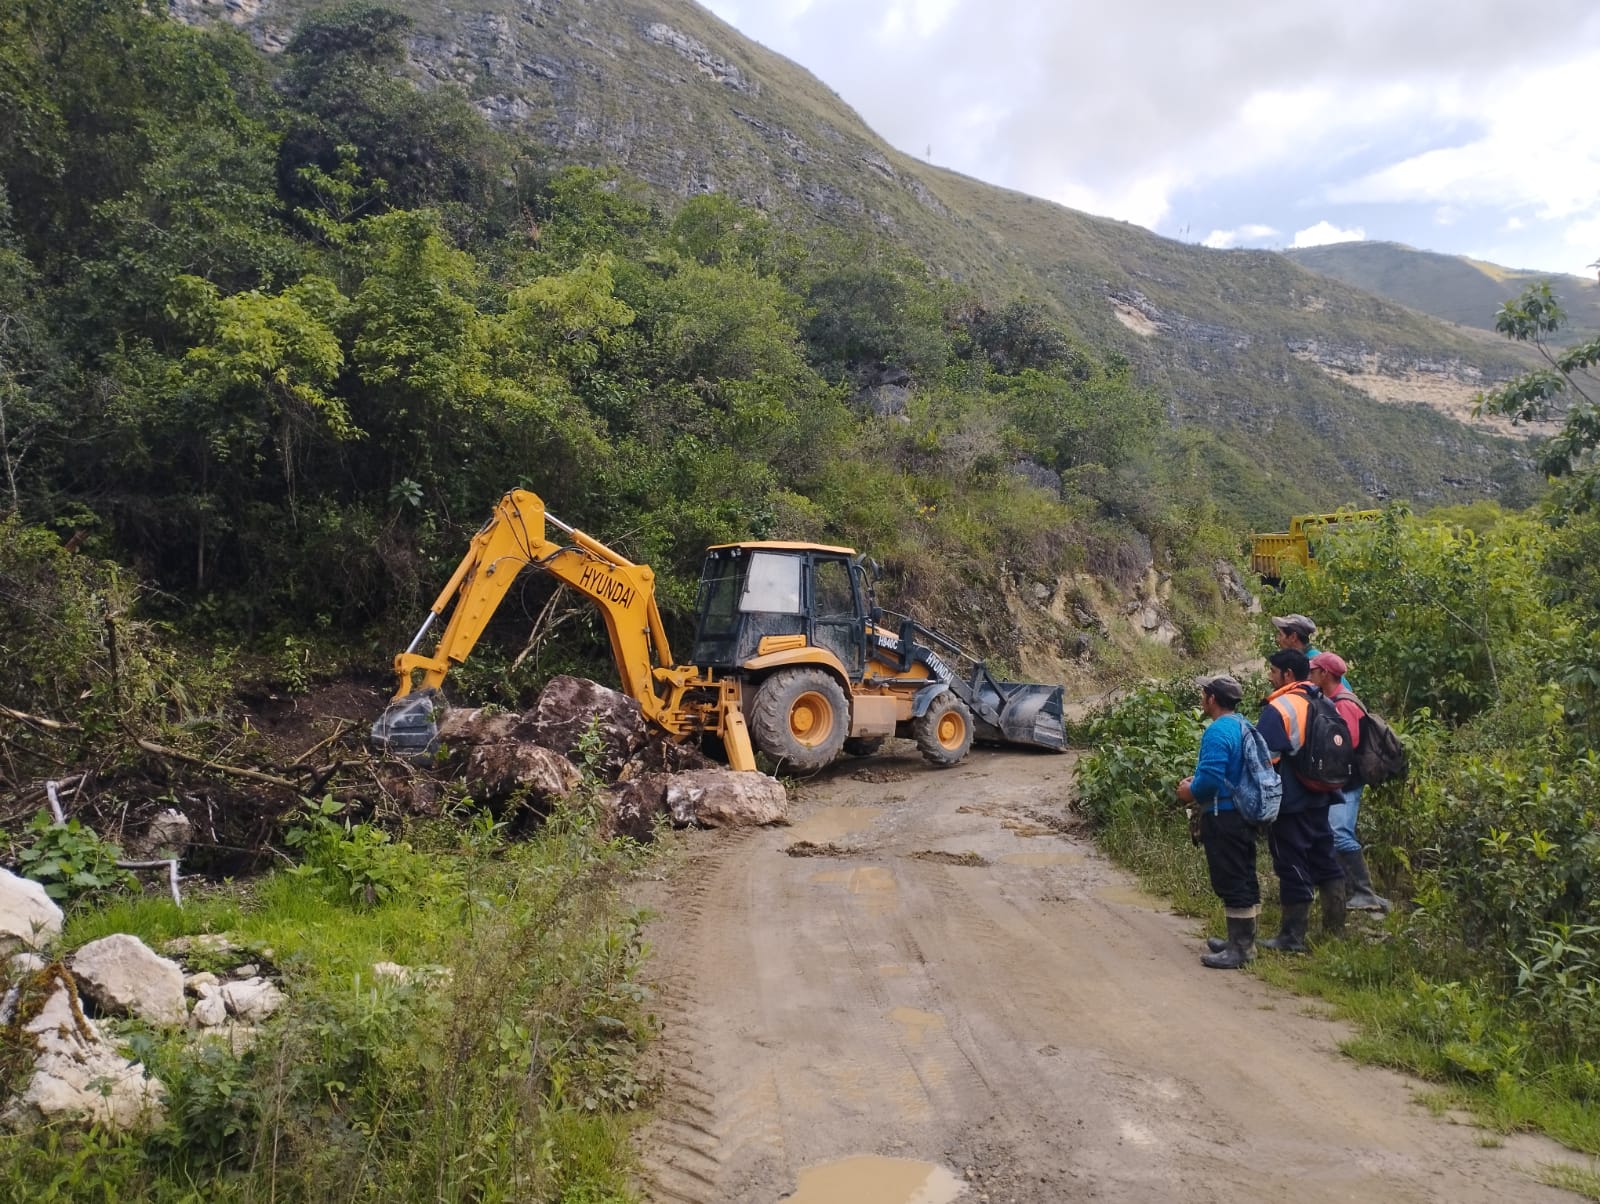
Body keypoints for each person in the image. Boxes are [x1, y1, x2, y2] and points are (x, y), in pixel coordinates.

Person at [1256, 649, 1345, 952]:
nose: (1269, 676)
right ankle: (1335, 932)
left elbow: (1262, 758)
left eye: (1272, 671)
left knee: (1291, 862)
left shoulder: (1280, 707)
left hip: (1291, 802)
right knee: (1325, 860)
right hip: (1322, 796)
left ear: (1288, 675)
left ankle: (1292, 938)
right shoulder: (1325, 701)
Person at [1176, 675, 1258, 969]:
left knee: (1231, 878)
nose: (1201, 696)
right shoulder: (1243, 725)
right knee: (1245, 874)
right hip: (1243, 813)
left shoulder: (1217, 731)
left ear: (1212, 698)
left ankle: (1241, 950)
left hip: (1223, 815)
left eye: (1204, 692)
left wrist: (1189, 791)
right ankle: (1242, 941)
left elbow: (1209, 781)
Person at [1308, 651, 1390, 913]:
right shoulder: (1331, 698)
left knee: (1340, 833)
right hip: (1341, 783)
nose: (1309, 675)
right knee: (1333, 833)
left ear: (1325, 674)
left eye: (1313, 671)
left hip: (1349, 783)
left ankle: (1364, 892)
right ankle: (1357, 893)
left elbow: (1347, 744)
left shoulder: (1344, 704)